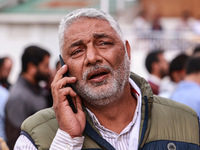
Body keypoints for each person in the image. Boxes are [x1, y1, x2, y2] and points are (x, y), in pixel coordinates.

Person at [14, 8, 199, 150]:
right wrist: (67, 138)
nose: (92, 57)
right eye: (77, 51)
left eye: (103, 43)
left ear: (127, 51)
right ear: (64, 68)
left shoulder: (187, 121)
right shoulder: (34, 137)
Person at [5, 45, 51, 149]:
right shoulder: (19, 97)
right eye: (45, 66)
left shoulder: (39, 90)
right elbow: (15, 139)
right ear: (31, 67)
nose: (49, 70)